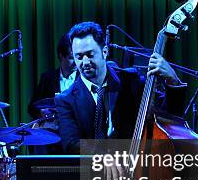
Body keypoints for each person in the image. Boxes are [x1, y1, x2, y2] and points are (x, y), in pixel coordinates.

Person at [55, 21, 186, 154]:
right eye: (79, 57)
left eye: (90, 55)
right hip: (93, 170)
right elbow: (72, 144)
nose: (85, 62)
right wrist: (104, 156)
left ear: (104, 52)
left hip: (136, 165)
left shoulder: (131, 81)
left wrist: (172, 80)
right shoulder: (65, 99)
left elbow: (168, 115)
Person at [27, 32, 77, 119]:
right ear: (61, 56)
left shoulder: (85, 78)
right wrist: (41, 112)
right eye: (72, 58)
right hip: (53, 129)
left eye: (78, 56)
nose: (77, 62)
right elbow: (32, 107)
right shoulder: (47, 78)